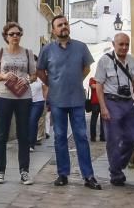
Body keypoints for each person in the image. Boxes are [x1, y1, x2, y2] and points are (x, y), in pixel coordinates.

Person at [38, 15, 101, 189]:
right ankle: (62, 174)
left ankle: (88, 176)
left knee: (81, 136)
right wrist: (52, 83)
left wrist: (75, 80)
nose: (63, 27)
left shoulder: (81, 47)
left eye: (65, 24)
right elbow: (40, 71)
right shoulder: (47, 50)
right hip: (57, 100)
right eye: (59, 25)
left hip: (77, 100)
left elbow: (87, 68)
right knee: (59, 137)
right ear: (53, 30)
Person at [0, 22, 37, 184]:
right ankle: (0, 171)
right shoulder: (0, 53)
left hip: (23, 97)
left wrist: (27, 79)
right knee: (2, 134)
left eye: (18, 34)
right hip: (3, 96)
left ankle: (24, 171)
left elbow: (34, 75)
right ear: (6, 36)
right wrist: (3, 76)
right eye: (12, 34)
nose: (15, 36)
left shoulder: (28, 53)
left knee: (24, 135)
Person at [92, 34, 134, 186]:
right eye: (121, 44)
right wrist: (103, 108)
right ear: (113, 44)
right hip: (111, 101)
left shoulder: (132, 60)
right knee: (113, 139)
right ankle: (116, 174)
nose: (124, 47)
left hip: (128, 102)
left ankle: (116, 165)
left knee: (133, 138)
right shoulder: (105, 60)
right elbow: (99, 85)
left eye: (127, 44)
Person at [29, 76, 48, 149]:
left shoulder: (40, 77)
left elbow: (45, 89)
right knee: (27, 122)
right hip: (26, 102)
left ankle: (31, 144)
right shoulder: (25, 75)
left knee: (32, 121)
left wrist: (44, 100)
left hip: (38, 102)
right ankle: (29, 140)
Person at [87, 77, 106, 142]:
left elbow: (95, 86)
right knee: (93, 121)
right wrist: (102, 85)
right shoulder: (92, 79)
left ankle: (102, 137)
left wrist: (99, 85)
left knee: (103, 120)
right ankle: (93, 137)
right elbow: (93, 86)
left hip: (102, 102)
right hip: (95, 103)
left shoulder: (97, 79)